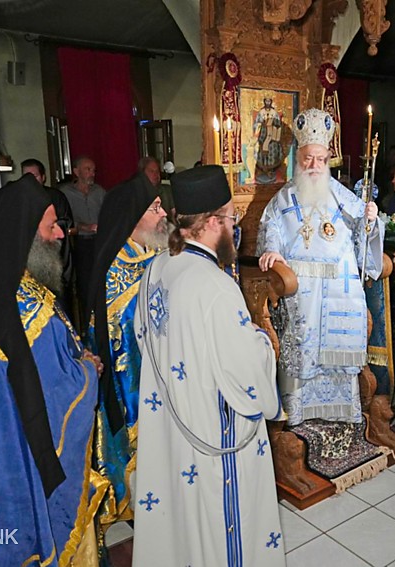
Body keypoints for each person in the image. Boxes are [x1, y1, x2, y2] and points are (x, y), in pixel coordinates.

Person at [132, 165, 284, 566]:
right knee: (221, 528)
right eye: (232, 218)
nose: (235, 229)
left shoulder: (154, 271)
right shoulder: (214, 285)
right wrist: (263, 342)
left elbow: (143, 337)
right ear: (214, 222)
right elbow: (246, 373)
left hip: (170, 430)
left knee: (183, 525)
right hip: (212, 440)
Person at [0, 174, 105, 566]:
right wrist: (87, 371)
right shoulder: (27, 307)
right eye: (51, 226)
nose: (59, 236)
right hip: (20, 443)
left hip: (0, 439)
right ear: (24, 232)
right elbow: (54, 388)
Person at [257, 108, 383, 426]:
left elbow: (364, 239)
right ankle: (299, 415)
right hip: (301, 291)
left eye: (321, 159)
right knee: (304, 343)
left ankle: (340, 412)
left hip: (340, 289)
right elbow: (270, 233)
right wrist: (272, 252)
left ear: (328, 160)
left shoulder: (343, 196)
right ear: (297, 158)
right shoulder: (282, 200)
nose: (314, 166)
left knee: (338, 347)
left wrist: (371, 220)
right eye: (308, 159)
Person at [87, 174, 167, 526]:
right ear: (134, 217)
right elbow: (115, 332)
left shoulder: (157, 251)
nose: (163, 212)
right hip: (131, 378)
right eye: (154, 208)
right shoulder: (114, 269)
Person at [58, 155, 106, 329]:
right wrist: (84, 227)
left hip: (100, 243)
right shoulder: (65, 193)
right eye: (88, 169)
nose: (92, 173)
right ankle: (86, 325)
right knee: (84, 285)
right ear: (76, 172)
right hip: (78, 244)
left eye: (93, 170)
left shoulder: (100, 192)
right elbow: (64, 221)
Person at [21, 158, 75, 302]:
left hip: (52, 254)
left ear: (43, 177)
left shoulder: (56, 196)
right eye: (26, 176)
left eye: (35, 176)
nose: (30, 181)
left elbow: (67, 225)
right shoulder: (20, 200)